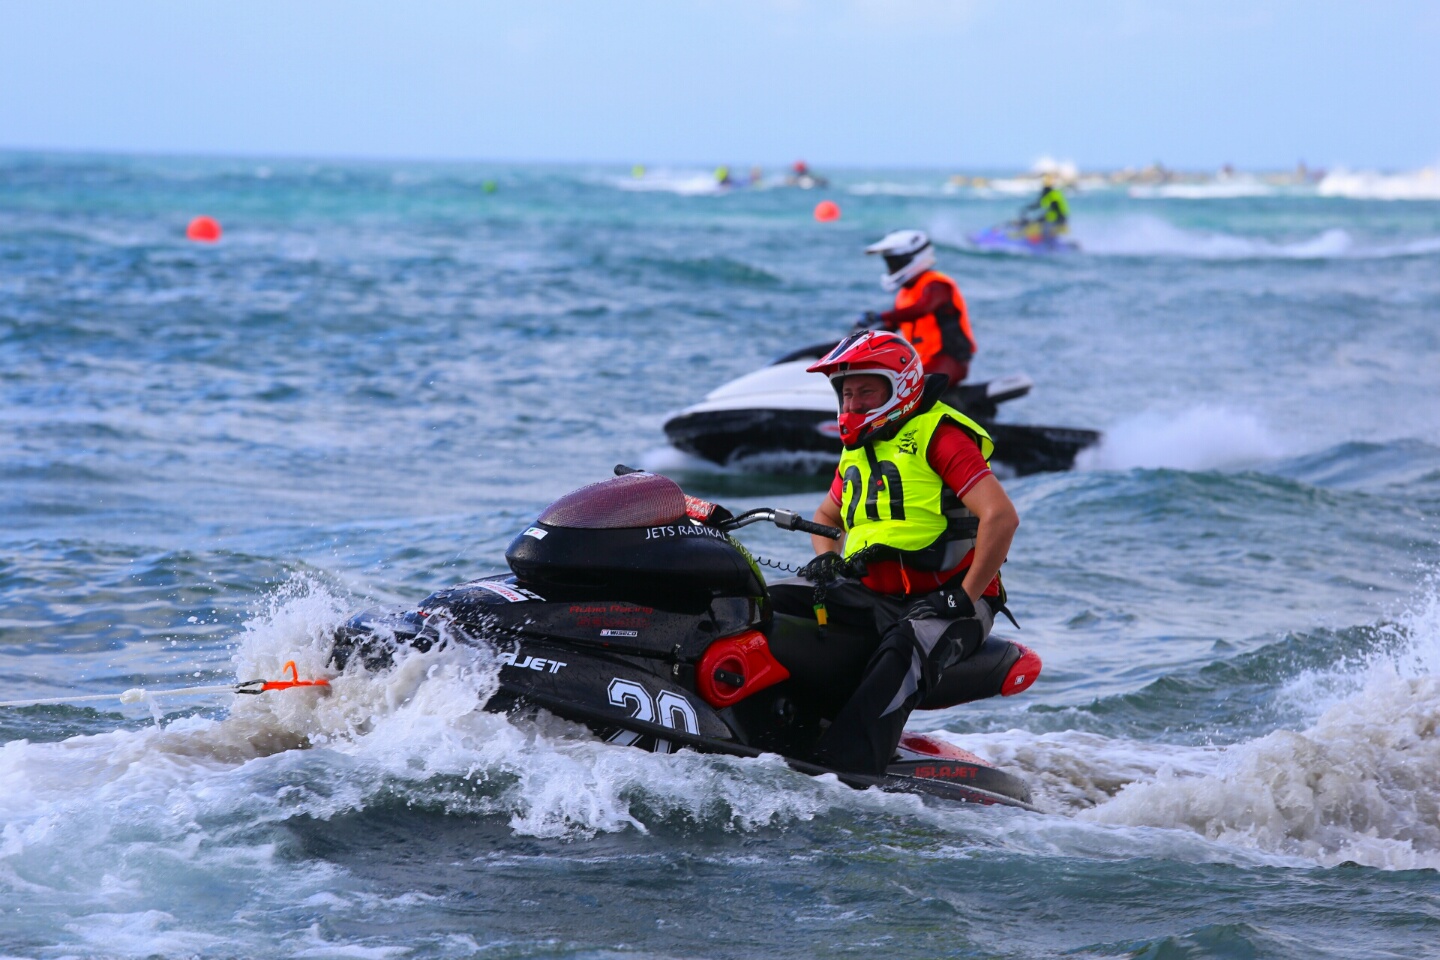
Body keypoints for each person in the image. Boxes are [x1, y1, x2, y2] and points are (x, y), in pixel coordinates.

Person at [768, 331, 1020, 775]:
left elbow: (1000, 517)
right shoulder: (857, 449)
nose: (853, 405)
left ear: (900, 386)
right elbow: (826, 516)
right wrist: (827, 556)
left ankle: (850, 771)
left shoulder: (940, 435)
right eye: (846, 394)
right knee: (768, 601)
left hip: (953, 598)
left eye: (867, 391)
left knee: (904, 646)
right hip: (873, 594)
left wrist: (964, 595)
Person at [860, 230, 976, 386]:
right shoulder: (905, 293)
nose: (892, 269)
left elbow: (922, 308)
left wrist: (882, 316)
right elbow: (890, 328)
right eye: (890, 264)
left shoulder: (937, 284)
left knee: (910, 391)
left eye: (895, 263)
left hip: (949, 360)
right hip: (920, 362)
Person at [1021, 173, 1069, 238]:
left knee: (1039, 226)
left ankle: (1045, 243)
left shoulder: (1051, 194)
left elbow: (1057, 210)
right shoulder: (1051, 193)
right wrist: (1026, 209)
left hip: (1057, 219)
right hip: (1055, 218)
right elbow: (1038, 204)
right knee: (1035, 222)